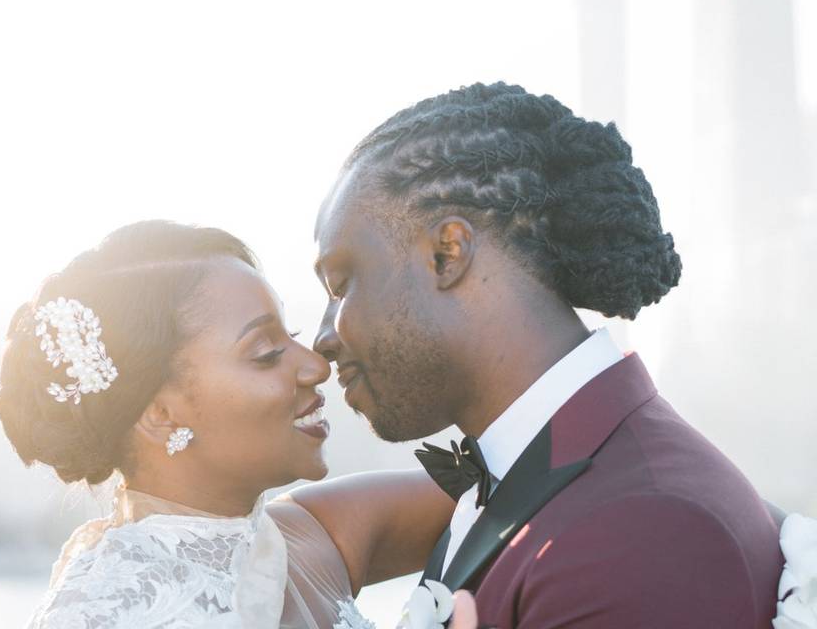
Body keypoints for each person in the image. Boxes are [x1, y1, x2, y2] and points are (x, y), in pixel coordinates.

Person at [312, 81, 785, 627]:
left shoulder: (641, 529)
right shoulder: (544, 479)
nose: (323, 339)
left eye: (341, 284)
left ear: (447, 254)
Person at [0, 220, 467, 628]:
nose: (316, 367)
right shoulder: (102, 611)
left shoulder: (315, 532)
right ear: (159, 415)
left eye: (293, 335)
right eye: (267, 353)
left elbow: (517, 474)